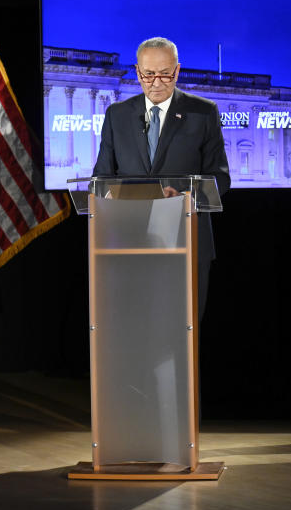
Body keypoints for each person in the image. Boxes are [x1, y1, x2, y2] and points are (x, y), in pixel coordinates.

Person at [93, 36, 230, 307]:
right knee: (134, 329)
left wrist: (187, 197)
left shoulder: (204, 113)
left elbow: (221, 176)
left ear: (177, 71)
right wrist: (108, 195)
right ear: (137, 72)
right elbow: (102, 177)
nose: (156, 83)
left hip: (187, 240)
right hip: (129, 242)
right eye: (148, 75)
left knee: (183, 337)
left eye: (165, 75)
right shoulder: (116, 115)